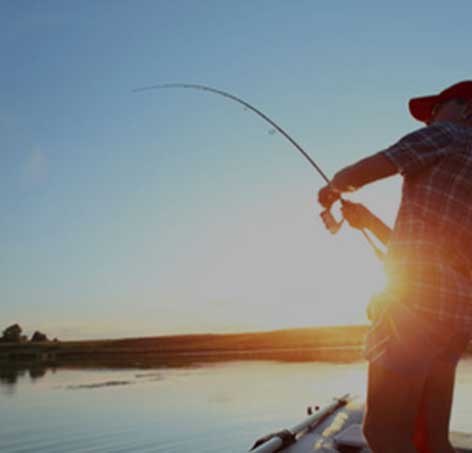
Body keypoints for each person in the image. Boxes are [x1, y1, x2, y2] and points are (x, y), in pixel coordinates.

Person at [318, 80, 472, 453]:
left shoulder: (446, 135)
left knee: (384, 433)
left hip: (415, 307)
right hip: (456, 314)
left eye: (436, 110)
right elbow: (436, 251)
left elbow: (365, 171)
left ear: (466, 109)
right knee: (434, 439)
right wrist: (368, 222)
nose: (430, 120)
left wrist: (334, 188)